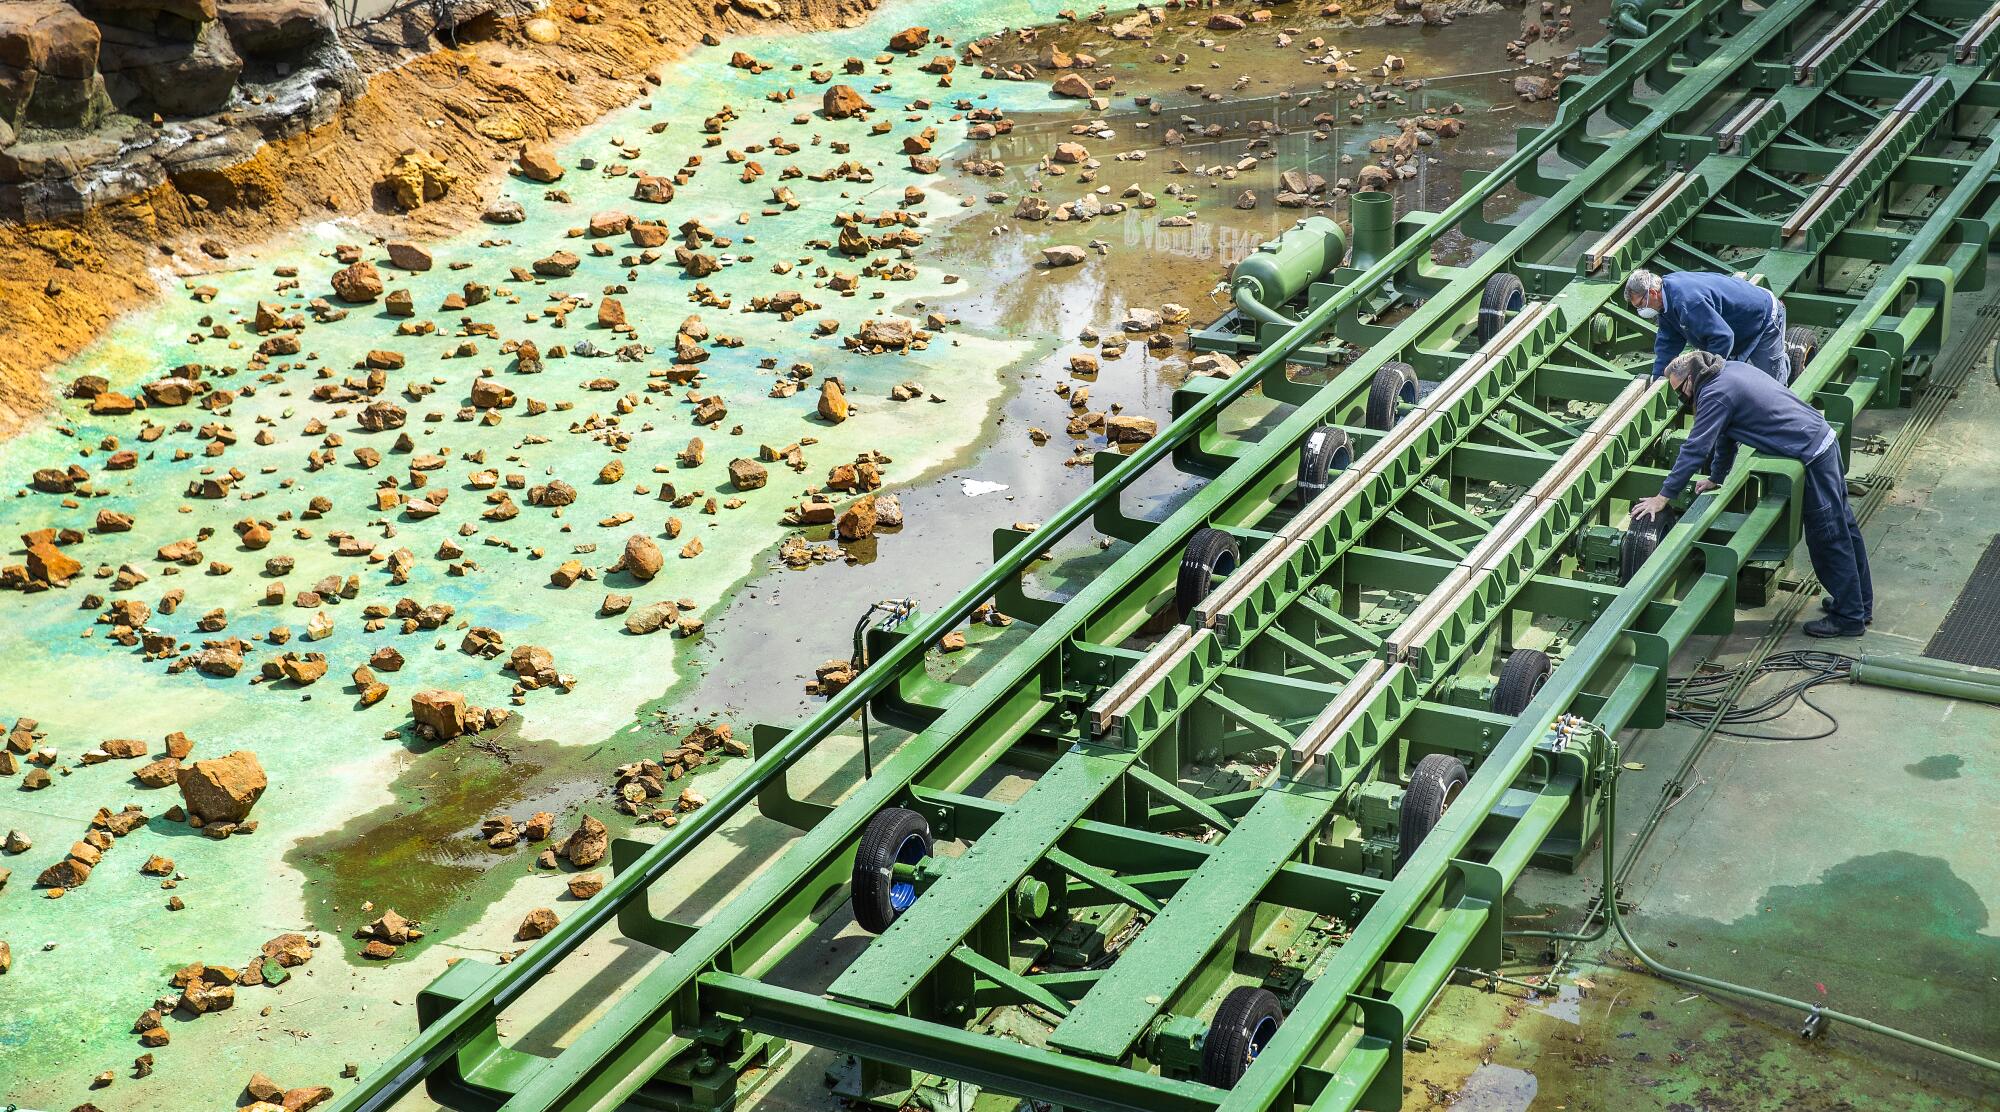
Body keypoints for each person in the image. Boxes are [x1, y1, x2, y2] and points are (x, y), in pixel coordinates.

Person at [1634, 351, 1872, 637]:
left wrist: (1663, 496)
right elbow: (1726, 436)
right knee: (1844, 526)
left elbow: (1696, 447)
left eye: (1681, 391)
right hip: (1822, 441)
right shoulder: (1727, 370)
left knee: (1829, 537)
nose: (1683, 399)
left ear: (1691, 379)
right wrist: (1716, 477)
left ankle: (1849, 617)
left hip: (1812, 455)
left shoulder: (1714, 393)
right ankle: (1858, 605)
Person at [1626, 268, 1792, 385]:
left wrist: (1706, 374)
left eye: (1641, 304)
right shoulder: (1665, 300)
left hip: (1762, 319)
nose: (1642, 310)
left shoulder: (1688, 302)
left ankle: (1783, 368)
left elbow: (1722, 337)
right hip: (1736, 327)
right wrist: (1658, 377)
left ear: (1653, 293)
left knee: (1772, 385)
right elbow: (1668, 341)